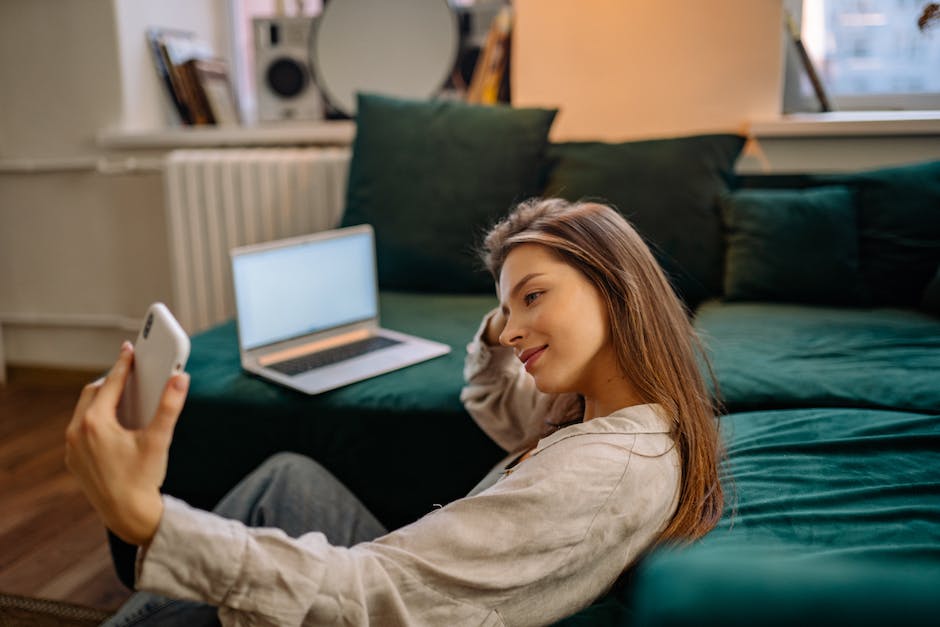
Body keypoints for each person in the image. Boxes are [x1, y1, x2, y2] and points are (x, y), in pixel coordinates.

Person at [66, 198, 724, 626]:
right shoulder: (604, 408)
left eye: (533, 296)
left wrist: (147, 517)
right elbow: (492, 401)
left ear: (615, 284)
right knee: (287, 476)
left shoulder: (597, 471)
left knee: (240, 576)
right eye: (506, 307)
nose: (514, 327)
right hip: (431, 583)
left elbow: (373, 591)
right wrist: (498, 330)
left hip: (403, 603)